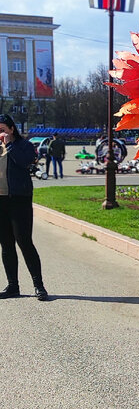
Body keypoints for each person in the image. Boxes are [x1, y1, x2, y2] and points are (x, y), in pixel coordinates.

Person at [0, 114, 48, 300]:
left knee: (24, 242)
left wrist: (9, 145)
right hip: (1, 201)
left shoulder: (23, 146)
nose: (0, 133)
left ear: (12, 129)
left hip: (19, 200)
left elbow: (24, 162)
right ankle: (13, 286)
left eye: (3, 129)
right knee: (6, 245)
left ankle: (39, 285)